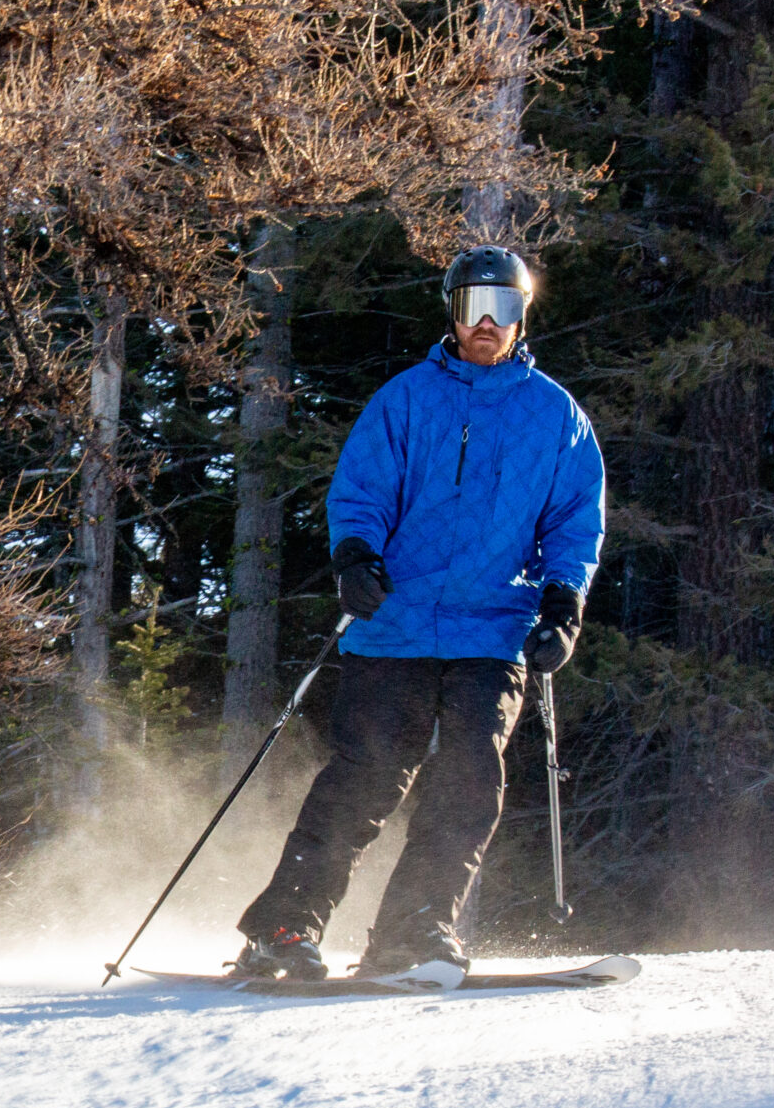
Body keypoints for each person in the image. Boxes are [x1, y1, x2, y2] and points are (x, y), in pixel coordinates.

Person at [229, 245, 606, 981]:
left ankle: (414, 934)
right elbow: (361, 491)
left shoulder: (555, 415)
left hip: (494, 630)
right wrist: (355, 558)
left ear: (522, 317)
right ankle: (283, 928)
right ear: (453, 314)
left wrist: (565, 602)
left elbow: (574, 522)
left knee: (468, 783)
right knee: (366, 778)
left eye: (503, 309)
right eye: (474, 308)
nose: (487, 325)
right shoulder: (407, 399)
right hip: (395, 624)